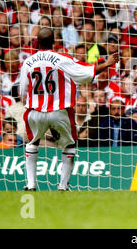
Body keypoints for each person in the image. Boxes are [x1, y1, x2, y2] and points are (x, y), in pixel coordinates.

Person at [19, 27, 118, 191]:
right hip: (59, 110)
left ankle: (31, 184)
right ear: (54, 42)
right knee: (69, 146)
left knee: (32, 143)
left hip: (35, 111)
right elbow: (86, 72)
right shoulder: (61, 58)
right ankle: (63, 186)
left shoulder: (28, 62)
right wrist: (106, 64)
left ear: (37, 41)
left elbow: (23, 91)